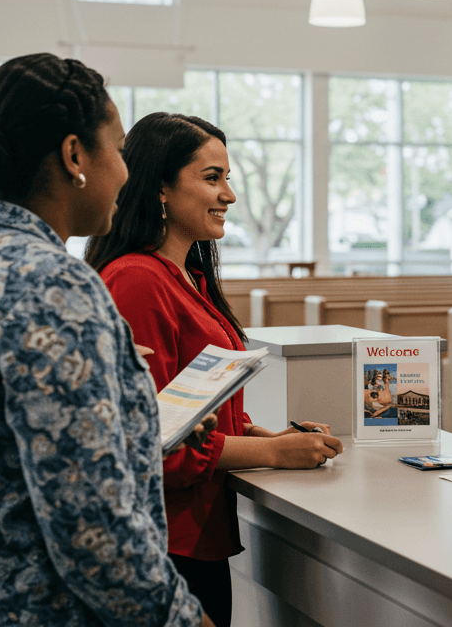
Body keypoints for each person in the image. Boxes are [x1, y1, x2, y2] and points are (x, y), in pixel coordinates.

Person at [0, 53, 212, 626]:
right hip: (22, 605)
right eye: (116, 148)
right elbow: (92, 530)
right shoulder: (53, 287)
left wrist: (133, 415)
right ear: (73, 156)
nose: (125, 172)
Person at [84, 112, 342, 627]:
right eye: (211, 178)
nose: (229, 195)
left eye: (228, 178)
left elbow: (189, 401)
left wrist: (261, 433)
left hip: (198, 533)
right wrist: (270, 452)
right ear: (159, 187)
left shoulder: (186, 275)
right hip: (167, 539)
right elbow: (154, 440)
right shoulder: (137, 280)